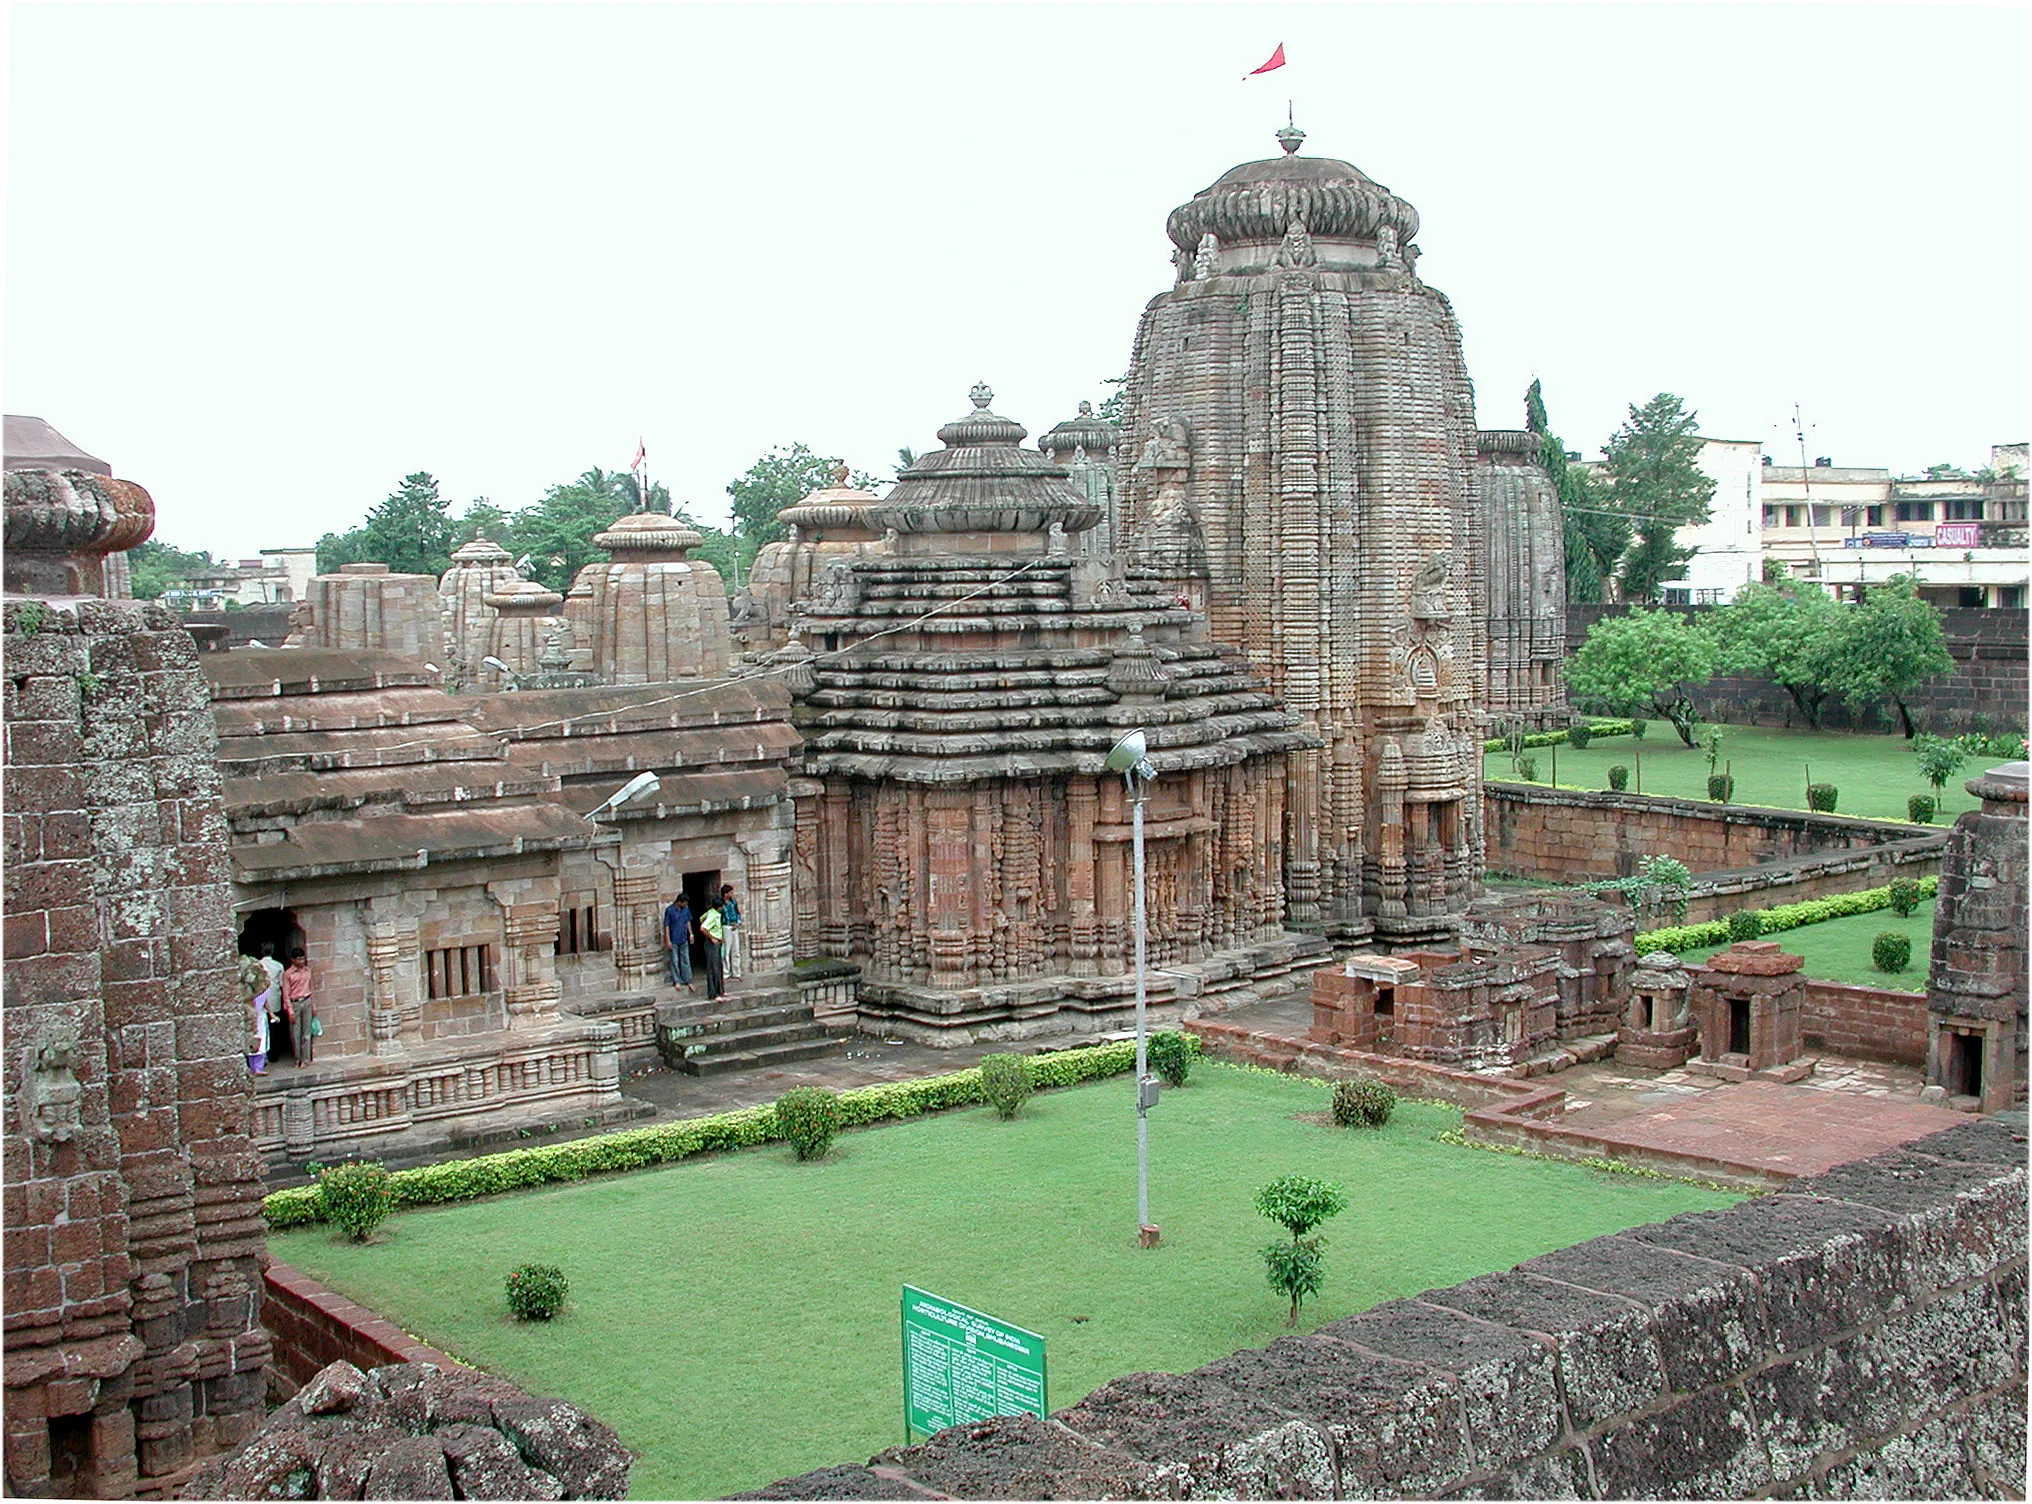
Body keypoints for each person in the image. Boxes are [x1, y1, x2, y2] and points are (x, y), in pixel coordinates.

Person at [282, 948, 316, 1067]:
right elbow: (286, 993)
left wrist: (313, 1005)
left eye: (302, 958)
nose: (301, 961)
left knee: (306, 1032)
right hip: (295, 1002)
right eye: (299, 959)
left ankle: (305, 1059)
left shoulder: (308, 971)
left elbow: (311, 988)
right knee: (296, 1033)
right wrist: (289, 1009)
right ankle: (298, 1058)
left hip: (306, 1000)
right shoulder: (288, 974)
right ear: (293, 960)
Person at [240, 953, 271, 1074]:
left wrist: (271, 1013)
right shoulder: (245, 989)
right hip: (249, 1014)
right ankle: (252, 1066)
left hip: (259, 1015)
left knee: (261, 1039)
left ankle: (258, 1067)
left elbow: (264, 1001)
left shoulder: (261, 989)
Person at [663, 894, 693, 989]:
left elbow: (688, 921)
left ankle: (688, 979)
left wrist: (691, 933)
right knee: (675, 960)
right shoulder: (670, 910)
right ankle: (677, 980)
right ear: (680, 902)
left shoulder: (686, 909)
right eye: (684, 903)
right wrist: (667, 940)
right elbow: (666, 926)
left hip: (683, 937)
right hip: (674, 939)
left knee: (685, 960)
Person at [699, 899, 725, 1001]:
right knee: (713, 968)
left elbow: (701, 918)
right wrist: (711, 937)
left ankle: (720, 990)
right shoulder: (713, 915)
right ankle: (713, 993)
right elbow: (703, 928)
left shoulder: (711, 912)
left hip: (717, 942)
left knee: (718, 966)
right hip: (712, 943)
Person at [719, 884, 743, 980]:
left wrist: (738, 923)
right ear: (725, 894)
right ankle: (726, 972)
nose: (732, 894)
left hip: (734, 926)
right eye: (730, 892)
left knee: (736, 950)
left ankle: (736, 972)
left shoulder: (733, 902)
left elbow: (737, 913)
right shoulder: (721, 904)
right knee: (726, 950)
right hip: (726, 926)